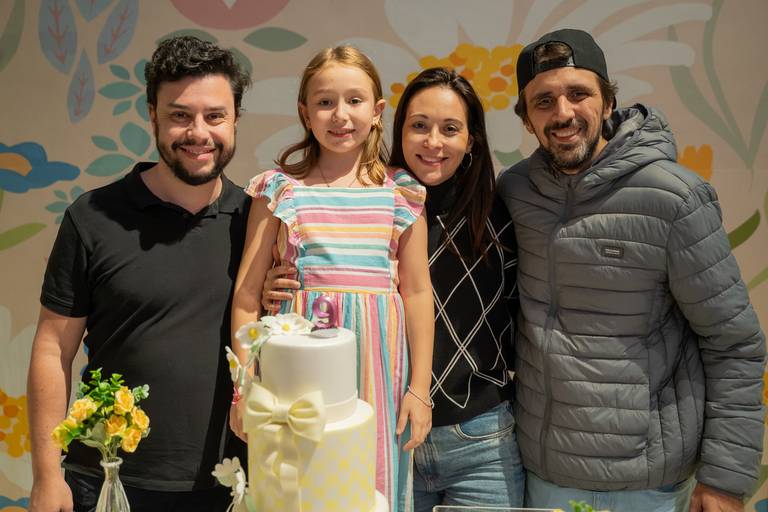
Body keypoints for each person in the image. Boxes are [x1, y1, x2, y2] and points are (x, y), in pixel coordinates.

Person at [497, 28, 765, 512]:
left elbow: (733, 343)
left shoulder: (675, 198)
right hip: (545, 474)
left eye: (579, 94)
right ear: (526, 119)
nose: (563, 113)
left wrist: (725, 480)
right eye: (543, 101)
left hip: (649, 484)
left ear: (607, 102)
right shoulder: (514, 193)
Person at [262, 67, 525, 510]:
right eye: (419, 126)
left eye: (450, 129)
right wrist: (282, 279)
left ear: (472, 140)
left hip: (479, 438)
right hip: (383, 428)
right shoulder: (375, 201)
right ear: (396, 129)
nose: (433, 142)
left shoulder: (501, 216)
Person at [26, 36, 251, 511]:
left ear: (234, 120)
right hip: (107, 481)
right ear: (153, 116)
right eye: (180, 115)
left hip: (232, 485)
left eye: (215, 116)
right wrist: (47, 475)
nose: (198, 132)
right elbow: (52, 349)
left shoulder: (259, 225)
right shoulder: (93, 217)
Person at [229, 46, 434, 512]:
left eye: (354, 101)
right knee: (299, 487)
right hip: (297, 377)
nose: (340, 115)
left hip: (379, 368)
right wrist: (244, 389)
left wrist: (419, 390)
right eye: (325, 102)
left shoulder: (401, 193)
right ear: (305, 112)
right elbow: (246, 297)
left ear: (377, 111)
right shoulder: (279, 190)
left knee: (372, 485)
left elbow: (418, 292)